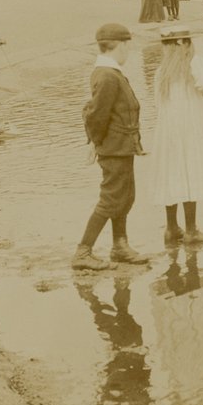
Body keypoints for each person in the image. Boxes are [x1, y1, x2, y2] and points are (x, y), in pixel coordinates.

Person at [73, 23, 149, 270]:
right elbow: (97, 113)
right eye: (128, 45)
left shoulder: (110, 72)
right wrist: (95, 143)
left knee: (125, 197)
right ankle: (83, 253)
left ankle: (120, 246)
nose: (129, 50)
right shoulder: (107, 75)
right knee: (110, 199)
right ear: (121, 45)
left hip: (121, 147)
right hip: (114, 148)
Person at [144, 26, 203, 246]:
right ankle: (192, 230)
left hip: (167, 128)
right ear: (183, 44)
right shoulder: (194, 63)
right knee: (190, 169)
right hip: (189, 125)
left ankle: (171, 228)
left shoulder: (161, 72)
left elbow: (158, 103)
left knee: (171, 172)